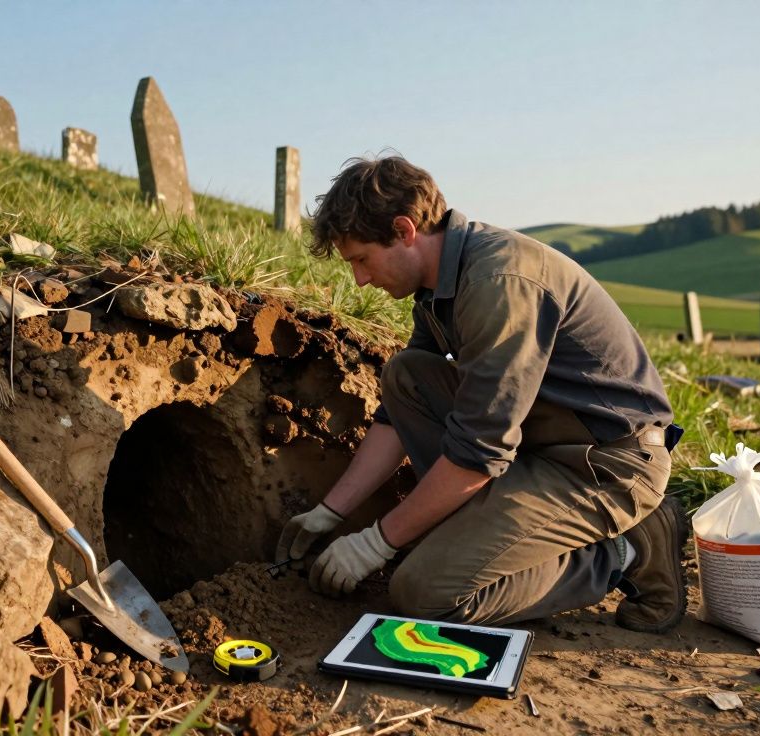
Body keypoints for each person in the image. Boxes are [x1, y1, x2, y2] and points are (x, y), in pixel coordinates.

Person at [274, 155, 687, 633]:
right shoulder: (438, 284)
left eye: (361, 260)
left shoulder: (497, 283)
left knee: (423, 592)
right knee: (407, 374)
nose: (360, 279)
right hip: (539, 448)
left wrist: (376, 543)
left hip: (606, 466)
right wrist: (331, 512)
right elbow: (399, 412)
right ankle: (497, 530)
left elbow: (478, 450)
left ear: (406, 230)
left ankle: (623, 552)